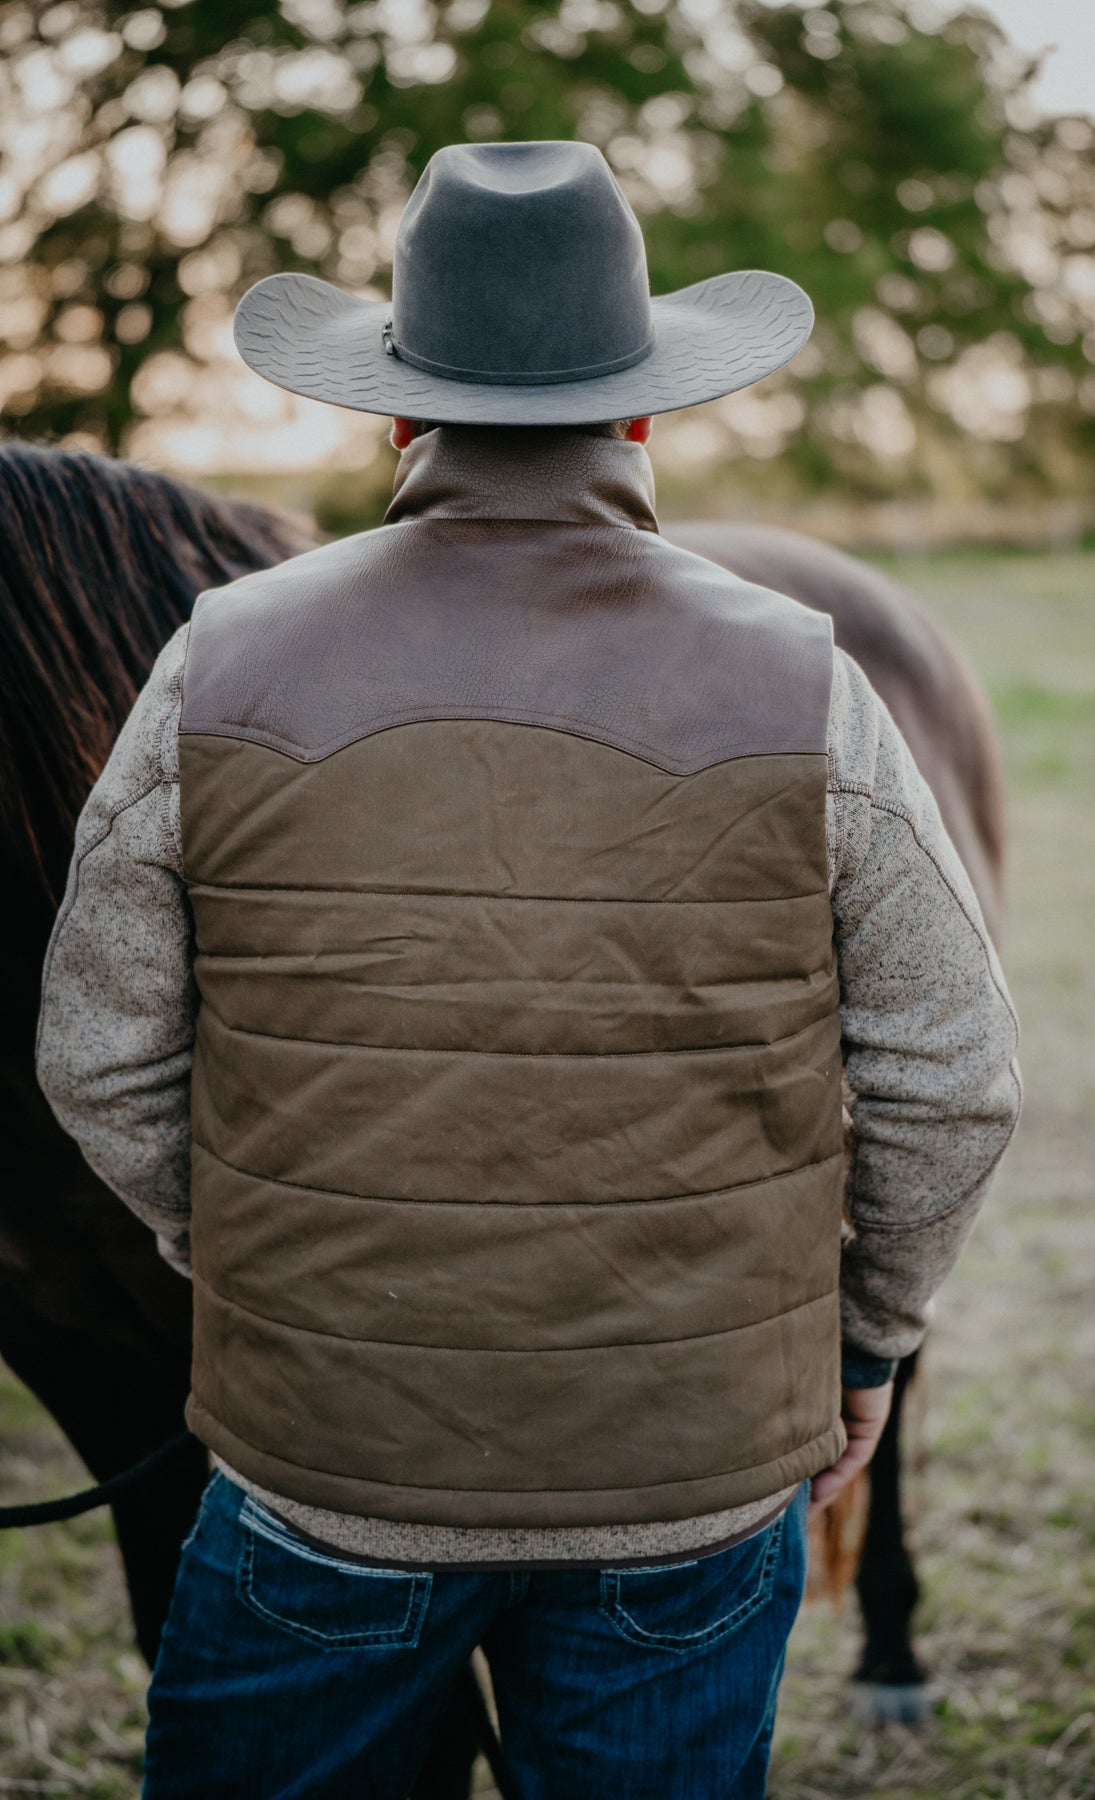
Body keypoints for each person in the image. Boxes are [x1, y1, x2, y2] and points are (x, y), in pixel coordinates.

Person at [37, 140, 1020, 1799]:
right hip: (690, 1498)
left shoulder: (215, 663)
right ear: (644, 414)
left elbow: (96, 1052)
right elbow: (952, 1075)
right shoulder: (809, 681)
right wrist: (865, 1348)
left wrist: (267, 1255)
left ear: (395, 413)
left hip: (322, 1480)